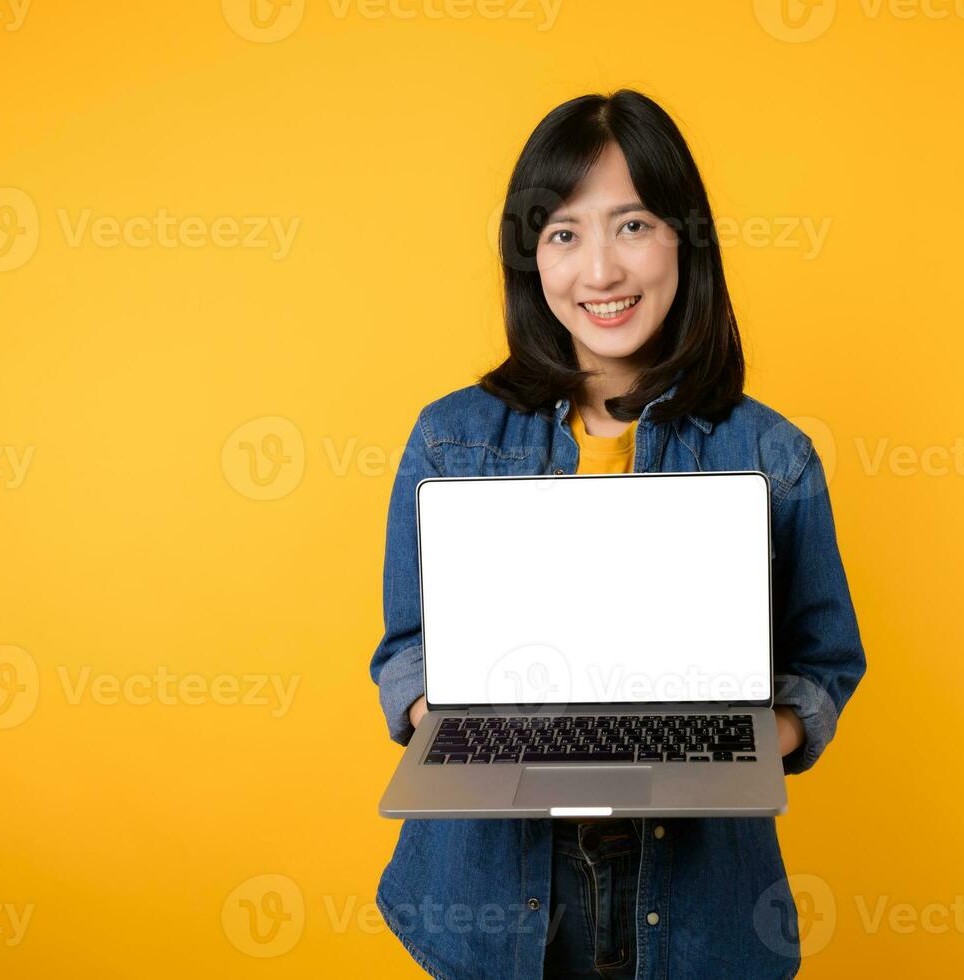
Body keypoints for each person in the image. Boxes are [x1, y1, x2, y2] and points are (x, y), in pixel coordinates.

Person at [370, 89, 866, 980]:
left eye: (632, 225)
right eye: (564, 233)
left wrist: (743, 743)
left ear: (685, 237)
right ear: (532, 259)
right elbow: (405, 650)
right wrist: (456, 730)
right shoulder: (449, 438)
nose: (599, 271)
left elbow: (823, 664)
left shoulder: (773, 453)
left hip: (700, 904)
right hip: (489, 901)